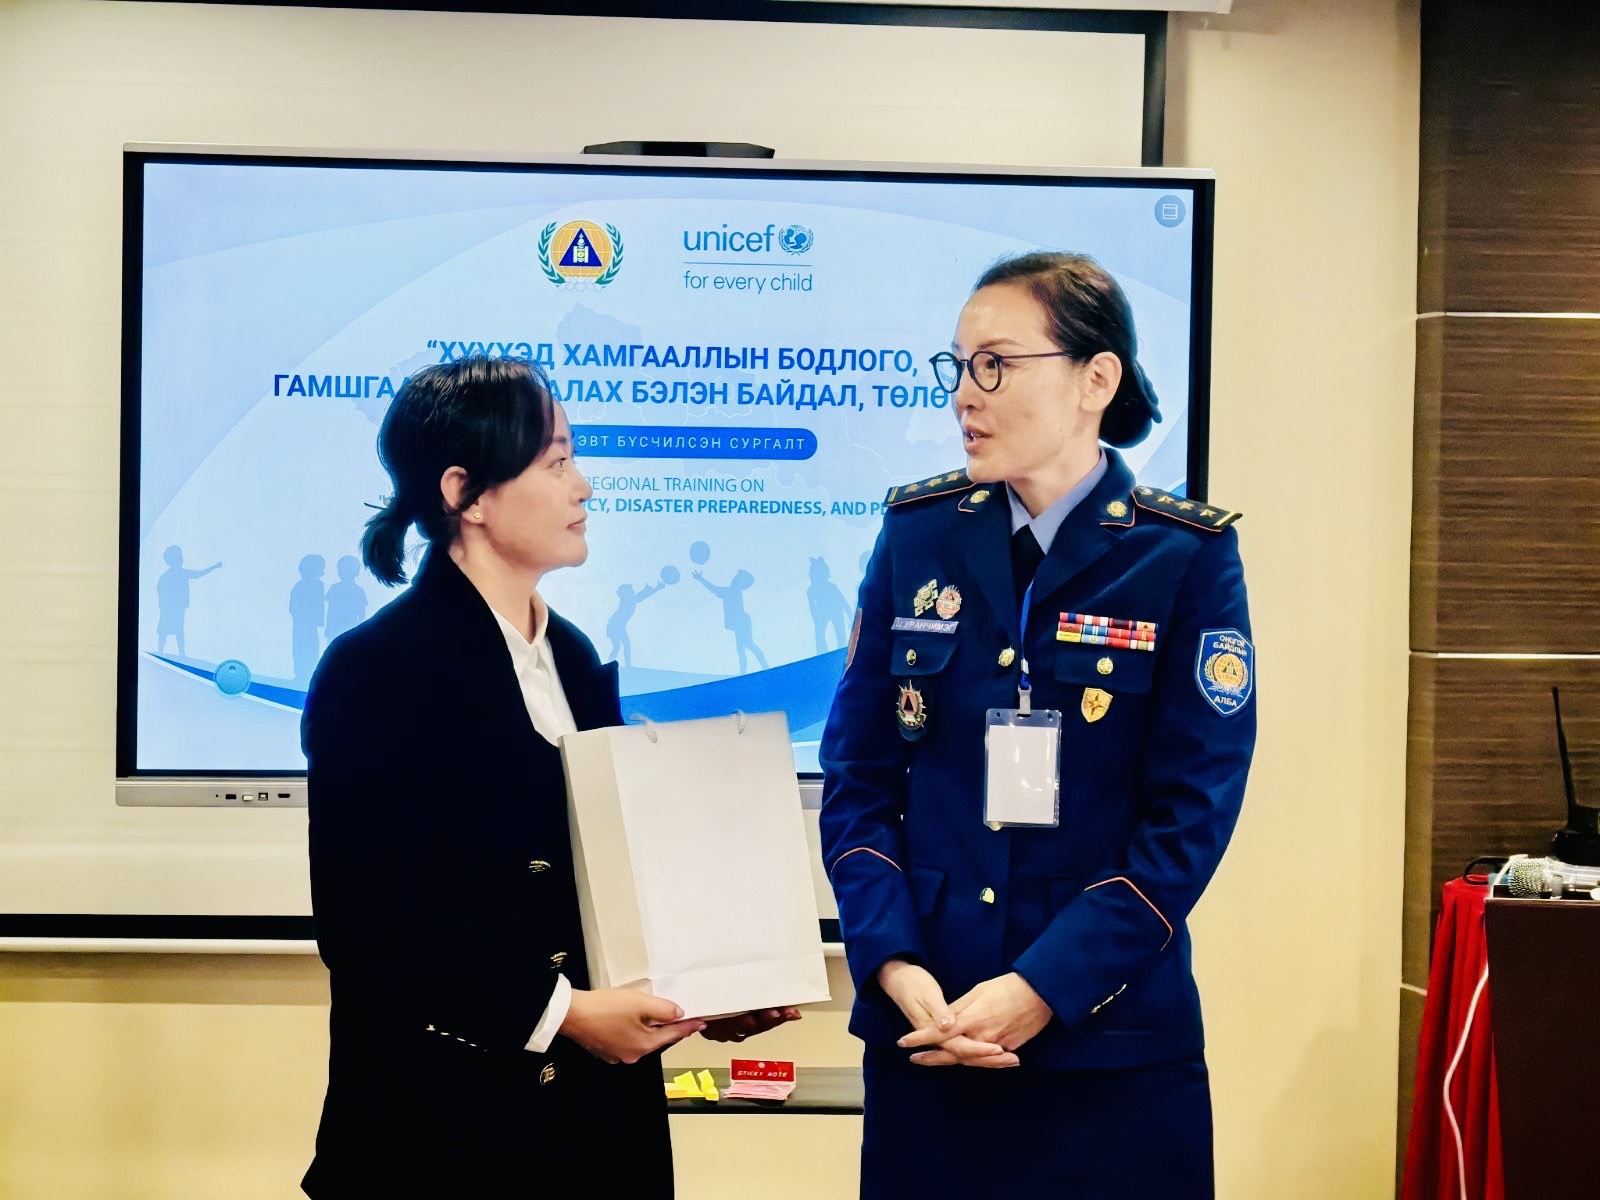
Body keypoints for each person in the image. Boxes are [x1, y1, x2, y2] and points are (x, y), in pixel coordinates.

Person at [301, 357, 794, 1199]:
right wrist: (561, 1011)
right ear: (466, 493)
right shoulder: (376, 669)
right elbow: (366, 925)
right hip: (441, 1134)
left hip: (595, 1136)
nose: (583, 486)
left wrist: (705, 989)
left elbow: (600, 884)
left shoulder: (569, 653)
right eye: (557, 461)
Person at [819, 252, 1256, 1198]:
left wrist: (1041, 988)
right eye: (958, 365)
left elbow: (1191, 816)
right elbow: (857, 780)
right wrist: (891, 962)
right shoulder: (918, 534)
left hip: (1109, 1048)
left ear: (1095, 379)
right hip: (929, 1033)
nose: (964, 394)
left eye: (996, 364)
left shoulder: (1182, 555)